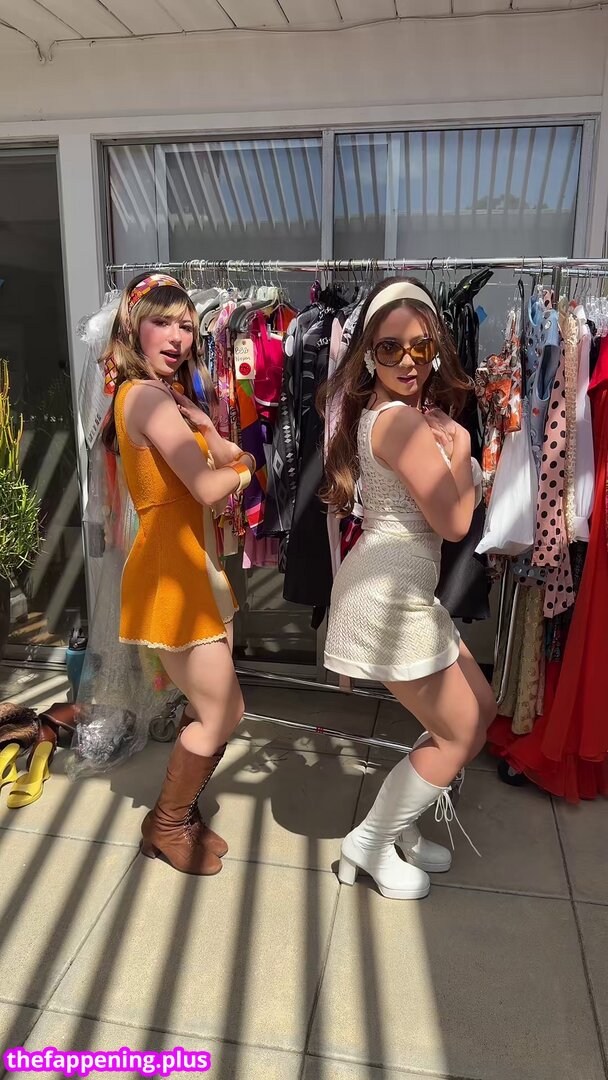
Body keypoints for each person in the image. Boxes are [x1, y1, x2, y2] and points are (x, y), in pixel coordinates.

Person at [320, 278, 496, 900]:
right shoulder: (400, 422)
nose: (407, 362)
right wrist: (465, 449)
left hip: (401, 587)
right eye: (390, 348)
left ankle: (398, 825)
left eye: (420, 348)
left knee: (478, 712)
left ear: (436, 351)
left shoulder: (399, 415)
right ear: (369, 354)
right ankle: (369, 843)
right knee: (460, 731)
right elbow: (454, 523)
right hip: (388, 597)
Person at [101, 273, 255, 876]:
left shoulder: (160, 395)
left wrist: (210, 431)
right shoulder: (146, 396)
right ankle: (166, 824)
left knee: (216, 706)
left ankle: (178, 816)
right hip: (173, 569)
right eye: (162, 322)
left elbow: (217, 455)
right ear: (132, 327)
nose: (178, 337)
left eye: (187, 326)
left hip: (191, 562)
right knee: (222, 712)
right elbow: (211, 483)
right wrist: (245, 471)